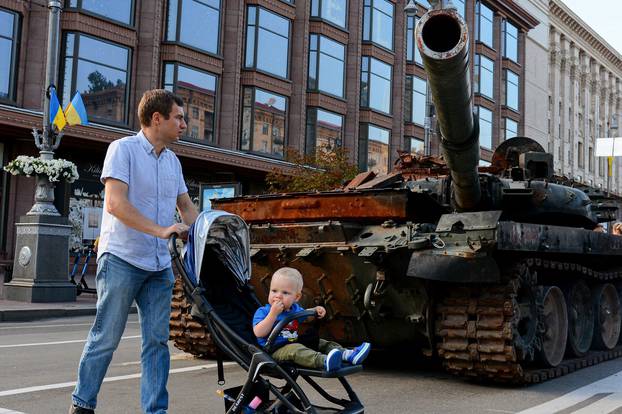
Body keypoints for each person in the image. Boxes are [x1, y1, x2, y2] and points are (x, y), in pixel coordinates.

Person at [69, 89, 199, 414]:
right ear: (157, 119)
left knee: (156, 342)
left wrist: (210, 236)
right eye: (178, 117)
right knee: (106, 337)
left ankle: (155, 411)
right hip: (122, 259)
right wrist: (161, 230)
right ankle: (82, 405)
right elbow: (115, 204)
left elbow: (186, 208)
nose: (184, 124)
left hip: (158, 266)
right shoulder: (122, 150)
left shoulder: (173, 161)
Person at [253, 267, 371, 372]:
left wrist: (315, 310)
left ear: (296, 297)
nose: (278, 296)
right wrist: (273, 314)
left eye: (285, 293)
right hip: (274, 350)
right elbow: (259, 332)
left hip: (293, 342)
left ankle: (347, 354)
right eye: (274, 291)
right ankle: (323, 361)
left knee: (320, 342)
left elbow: (306, 317)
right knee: (297, 350)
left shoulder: (294, 309)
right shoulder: (264, 311)